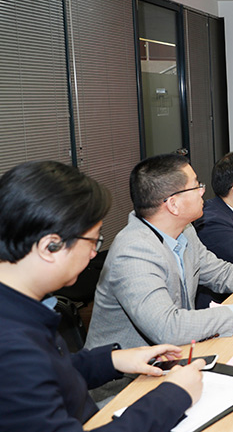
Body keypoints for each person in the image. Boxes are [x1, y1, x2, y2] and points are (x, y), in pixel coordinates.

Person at [0, 161, 205, 431]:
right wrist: (174, 396)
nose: (94, 253)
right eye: (93, 241)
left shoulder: (20, 306)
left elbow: (50, 369)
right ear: (50, 246)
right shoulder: (11, 344)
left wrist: (113, 360)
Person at [86, 154, 233, 352]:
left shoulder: (184, 230)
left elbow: (221, 273)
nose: (203, 191)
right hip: (128, 377)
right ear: (173, 204)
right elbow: (167, 327)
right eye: (196, 187)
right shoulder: (134, 251)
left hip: (181, 352)